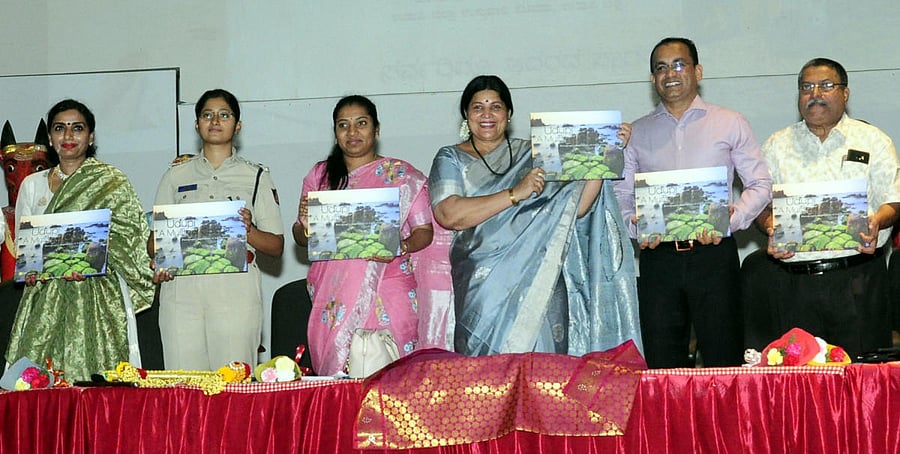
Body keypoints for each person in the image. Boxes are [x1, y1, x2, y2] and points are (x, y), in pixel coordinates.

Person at [430, 75, 641, 357]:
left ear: (509, 114)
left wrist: (604, 156)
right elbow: (449, 213)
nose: (487, 114)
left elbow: (576, 208)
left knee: (545, 377)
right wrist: (515, 193)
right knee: (487, 381)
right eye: (478, 107)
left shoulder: (538, 153)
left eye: (496, 106)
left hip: (541, 279)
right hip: (483, 287)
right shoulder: (450, 158)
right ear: (466, 116)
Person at [613, 38, 772, 368]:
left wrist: (732, 220)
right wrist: (634, 225)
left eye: (679, 64)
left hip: (714, 257)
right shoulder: (635, 132)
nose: (670, 73)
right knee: (662, 364)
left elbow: (760, 184)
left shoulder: (730, 122)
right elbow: (621, 196)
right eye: (660, 67)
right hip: (659, 261)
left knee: (723, 360)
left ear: (697, 71)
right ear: (653, 79)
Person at [744, 58, 900, 357]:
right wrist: (768, 226)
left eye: (826, 86)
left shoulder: (873, 141)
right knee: (800, 385)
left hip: (859, 281)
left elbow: (893, 199)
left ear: (845, 93)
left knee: (862, 383)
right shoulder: (777, 145)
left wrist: (878, 220)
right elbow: (760, 203)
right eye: (806, 87)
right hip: (793, 286)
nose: (814, 93)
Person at [293, 95, 452, 376]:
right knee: (342, 388)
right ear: (335, 133)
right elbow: (301, 237)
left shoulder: (402, 175)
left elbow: (424, 232)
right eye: (343, 125)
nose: (352, 132)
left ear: (376, 129)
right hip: (333, 295)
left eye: (361, 123)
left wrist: (399, 246)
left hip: (389, 287)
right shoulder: (321, 175)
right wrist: (305, 224)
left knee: (391, 380)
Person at [5, 99, 154, 382]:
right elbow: (27, 243)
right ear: (50, 138)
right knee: (38, 385)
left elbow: (131, 240)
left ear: (91, 136)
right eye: (60, 128)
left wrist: (93, 259)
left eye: (78, 128)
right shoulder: (32, 184)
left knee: (97, 383)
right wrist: (32, 272)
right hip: (44, 300)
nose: (69, 136)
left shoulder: (111, 182)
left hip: (98, 298)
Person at [152, 89, 284, 370]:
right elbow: (153, 243)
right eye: (207, 115)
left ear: (237, 126)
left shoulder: (256, 175)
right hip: (182, 288)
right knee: (184, 385)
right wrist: (165, 248)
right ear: (197, 124)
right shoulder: (176, 175)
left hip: (235, 288)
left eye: (224, 115)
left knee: (233, 385)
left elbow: (276, 245)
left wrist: (247, 230)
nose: (215, 120)